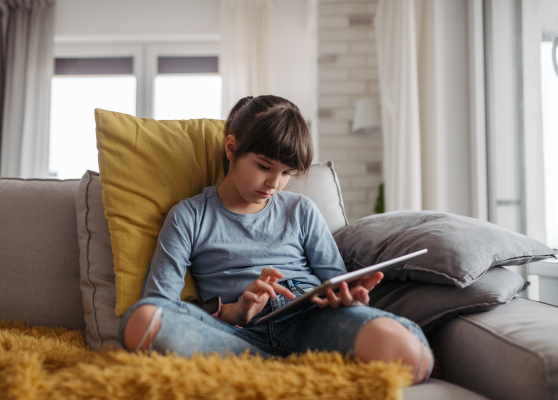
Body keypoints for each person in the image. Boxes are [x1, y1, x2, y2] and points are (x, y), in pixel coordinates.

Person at [120, 95, 433, 384]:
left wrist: (348, 297)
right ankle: (269, 364)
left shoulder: (301, 210)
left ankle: (258, 368)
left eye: (286, 173)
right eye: (264, 167)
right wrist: (233, 311)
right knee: (143, 320)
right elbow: (160, 303)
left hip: (310, 319)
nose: (274, 183)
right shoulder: (189, 216)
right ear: (231, 148)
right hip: (236, 332)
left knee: (407, 352)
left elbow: (336, 281)